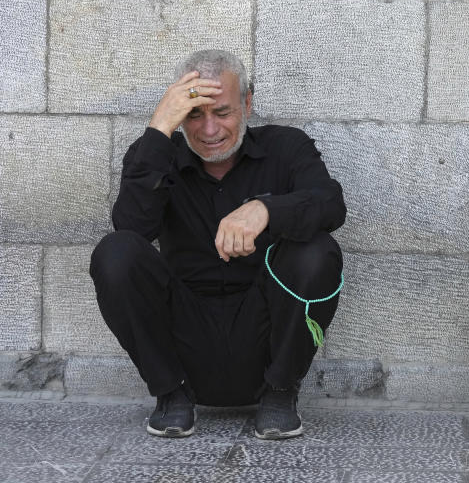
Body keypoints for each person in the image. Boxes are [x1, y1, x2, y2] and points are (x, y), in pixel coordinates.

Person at [89, 50, 346, 439]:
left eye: (222, 112)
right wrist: (159, 127)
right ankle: (170, 397)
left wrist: (266, 209)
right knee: (115, 252)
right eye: (193, 114)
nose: (209, 130)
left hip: (264, 337)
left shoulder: (286, 147)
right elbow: (131, 229)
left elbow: (331, 204)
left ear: (247, 102)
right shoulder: (158, 157)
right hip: (184, 338)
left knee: (318, 251)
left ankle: (280, 394)